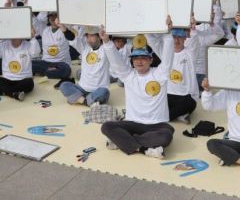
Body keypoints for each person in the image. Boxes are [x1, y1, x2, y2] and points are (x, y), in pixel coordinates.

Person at [101, 18, 176, 159]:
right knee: (107, 127)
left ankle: (125, 141)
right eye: (136, 59)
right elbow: (116, 61)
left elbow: (168, 57)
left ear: (150, 60)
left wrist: (168, 34)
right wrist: (106, 41)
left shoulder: (160, 74)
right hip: (133, 123)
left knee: (167, 134)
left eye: (143, 58)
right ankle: (144, 149)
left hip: (155, 125)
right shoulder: (128, 75)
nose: (139, 61)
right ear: (132, 61)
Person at [59, 26, 111, 106]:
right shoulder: (85, 48)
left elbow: (111, 45)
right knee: (64, 85)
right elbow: (72, 38)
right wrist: (63, 29)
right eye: (87, 36)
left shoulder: (106, 49)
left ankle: (77, 98)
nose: (89, 39)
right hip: (81, 88)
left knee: (104, 92)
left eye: (92, 36)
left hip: (97, 90)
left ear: (99, 36)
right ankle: (87, 101)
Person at [0, 34, 39, 101]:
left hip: (23, 79)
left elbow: (36, 54)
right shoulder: (4, 45)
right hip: (7, 79)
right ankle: (13, 94)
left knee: (29, 83)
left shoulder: (28, 45)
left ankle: (4, 92)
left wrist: (33, 38)